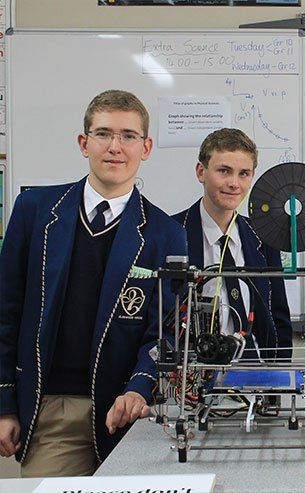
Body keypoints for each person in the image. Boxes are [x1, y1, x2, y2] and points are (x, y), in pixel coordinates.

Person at [0, 90, 187, 475]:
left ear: (146, 147)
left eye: (128, 136)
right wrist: (3, 403)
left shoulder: (165, 234)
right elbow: (5, 311)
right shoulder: (35, 212)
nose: (115, 147)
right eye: (103, 134)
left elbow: (165, 330)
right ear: (84, 143)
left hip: (129, 415)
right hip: (54, 409)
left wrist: (139, 387)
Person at [172, 128, 292, 362]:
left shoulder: (263, 237)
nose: (234, 183)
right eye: (224, 171)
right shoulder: (172, 233)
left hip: (253, 376)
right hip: (192, 376)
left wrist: (279, 377)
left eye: (244, 173)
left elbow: (279, 317)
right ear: (201, 172)